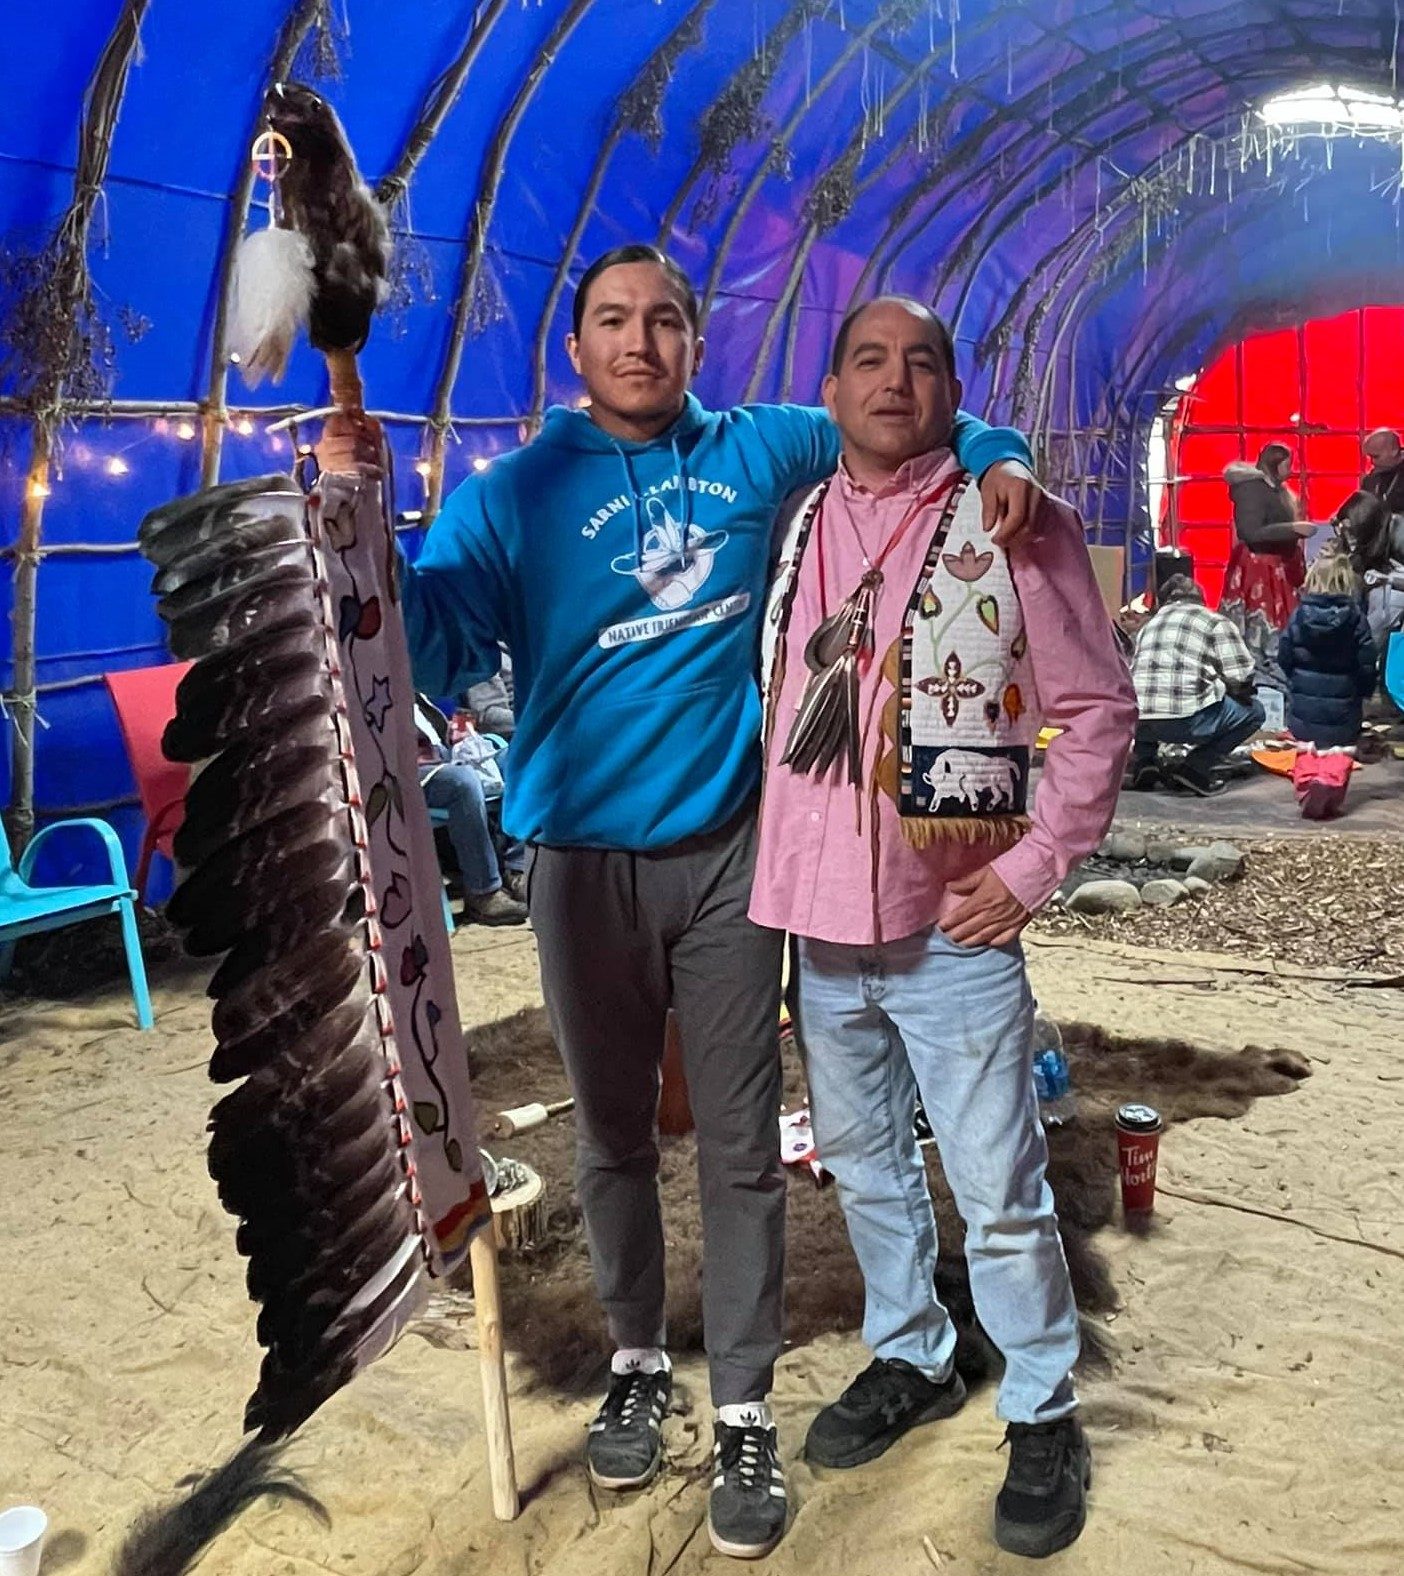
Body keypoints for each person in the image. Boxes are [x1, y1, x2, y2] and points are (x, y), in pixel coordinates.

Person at [324, 244, 1040, 1560]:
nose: (640, 341)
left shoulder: (757, 452)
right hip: (576, 866)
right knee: (608, 1142)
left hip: (727, 860)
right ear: (575, 347)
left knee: (738, 1139)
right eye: (613, 321)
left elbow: (903, 413)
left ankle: (746, 1403)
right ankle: (638, 1361)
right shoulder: (513, 496)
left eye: (664, 321)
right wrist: (363, 521)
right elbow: (428, 648)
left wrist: (1000, 451)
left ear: (697, 342)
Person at [750, 296, 1135, 1559]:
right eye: (870, 360)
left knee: (999, 1185)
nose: (895, 382)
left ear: (954, 392)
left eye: (924, 364)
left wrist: (1033, 868)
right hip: (819, 919)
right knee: (863, 1166)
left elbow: (1095, 712)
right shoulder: (797, 516)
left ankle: (1041, 1403)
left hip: (952, 922)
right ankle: (914, 1355)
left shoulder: (1013, 518)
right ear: (833, 386)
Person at [1128, 575, 1265, 794]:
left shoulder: (1148, 626)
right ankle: (1196, 768)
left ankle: (1146, 762)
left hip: (1139, 720)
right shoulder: (1214, 622)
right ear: (1200, 599)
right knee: (1255, 712)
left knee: (1148, 698)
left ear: (1163, 602)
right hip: (1188, 720)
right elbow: (1242, 676)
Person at [413, 697, 527, 924]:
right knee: (462, 782)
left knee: (520, 756)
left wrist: (458, 730)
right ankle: (483, 892)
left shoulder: (416, 692)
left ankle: (517, 870)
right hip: (405, 772)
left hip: (445, 757)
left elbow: (442, 722)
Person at [1220, 443, 1314, 664]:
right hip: (1259, 569)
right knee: (1260, 624)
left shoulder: (1277, 490)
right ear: (1275, 464)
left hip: (1277, 567)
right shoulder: (1251, 489)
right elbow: (1250, 532)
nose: (1290, 471)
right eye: (1287, 465)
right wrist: (1292, 529)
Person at [1277, 552, 1378, 749]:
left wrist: (1296, 681)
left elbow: (1284, 657)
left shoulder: (1298, 615)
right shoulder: (1355, 618)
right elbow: (1367, 666)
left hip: (1301, 726)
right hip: (1344, 727)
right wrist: (1363, 693)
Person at [1362, 427, 1404, 517]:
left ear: (1394, 451)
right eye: (1370, 457)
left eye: (1376, 457)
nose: (1372, 462)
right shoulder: (1371, 480)